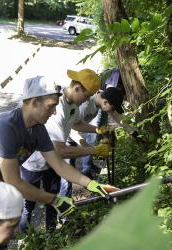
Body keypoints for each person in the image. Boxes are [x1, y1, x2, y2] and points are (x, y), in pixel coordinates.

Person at [0, 75, 111, 223]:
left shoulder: (38, 129)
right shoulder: (5, 127)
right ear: (33, 102)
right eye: (51, 106)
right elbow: (14, 182)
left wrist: (90, 183)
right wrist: (54, 200)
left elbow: (59, 165)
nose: (54, 112)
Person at [20, 69, 116, 232]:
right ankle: (27, 237)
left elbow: (77, 123)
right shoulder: (56, 109)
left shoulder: (72, 104)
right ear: (77, 88)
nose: (86, 101)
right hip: (33, 164)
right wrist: (94, 151)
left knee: (54, 196)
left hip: (51, 163)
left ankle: (50, 231)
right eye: (85, 97)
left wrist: (98, 130)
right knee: (29, 203)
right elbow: (61, 151)